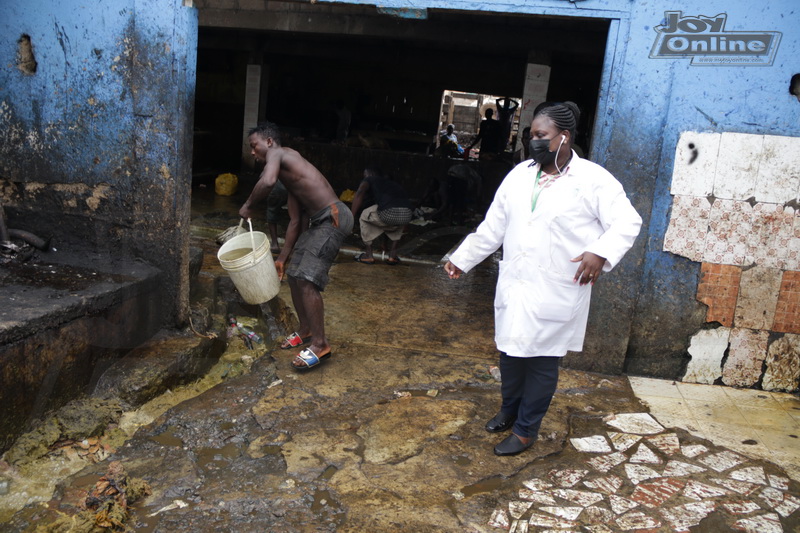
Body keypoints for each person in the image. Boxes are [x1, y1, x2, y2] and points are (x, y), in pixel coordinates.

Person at [444, 102, 642, 456]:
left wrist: (600, 252)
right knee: (509, 350)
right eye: (530, 135)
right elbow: (495, 225)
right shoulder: (520, 174)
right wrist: (464, 258)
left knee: (542, 359)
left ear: (563, 138)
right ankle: (509, 409)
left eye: (541, 136)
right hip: (517, 281)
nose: (532, 141)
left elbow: (628, 222)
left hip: (559, 284)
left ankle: (525, 430)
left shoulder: (593, 179)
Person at [239, 121, 354, 371]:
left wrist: (248, 205)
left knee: (306, 279)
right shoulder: (289, 177)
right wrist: (282, 258)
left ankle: (321, 344)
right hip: (319, 221)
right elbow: (294, 221)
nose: (252, 152)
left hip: (333, 216)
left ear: (269, 142)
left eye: (253, 145)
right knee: (293, 275)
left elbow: (266, 182)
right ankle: (306, 329)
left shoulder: (280, 153)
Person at [350, 167, 413, 265]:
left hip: (389, 213)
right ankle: (392, 255)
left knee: (365, 215)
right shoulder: (392, 184)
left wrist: (351, 216)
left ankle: (368, 255)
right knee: (396, 217)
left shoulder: (369, 179)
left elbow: (360, 192)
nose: (364, 178)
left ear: (370, 174)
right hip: (407, 214)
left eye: (364, 175)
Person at [265, 180, 288, 254]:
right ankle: (301, 244)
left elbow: (269, 179)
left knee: (272, 209)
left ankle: (274, 244)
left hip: (280, 184)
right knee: (299, 215)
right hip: (295, 183)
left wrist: (249, 204)